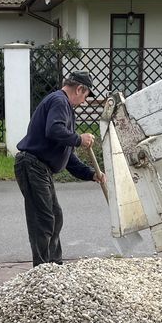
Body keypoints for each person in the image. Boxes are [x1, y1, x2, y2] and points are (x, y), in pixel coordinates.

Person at [14, 71, 106, 267]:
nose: (84, 101)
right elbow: (54, 130)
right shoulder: (59, 101)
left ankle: (55, 266)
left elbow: (68, 157)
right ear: (79, 88)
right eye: (85, 95)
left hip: (40, 168)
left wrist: (91, 174)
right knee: (44, 219)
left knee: (55, 216)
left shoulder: (64, 108)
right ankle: (43, 270)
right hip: (32, 165)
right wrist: (79, 138)